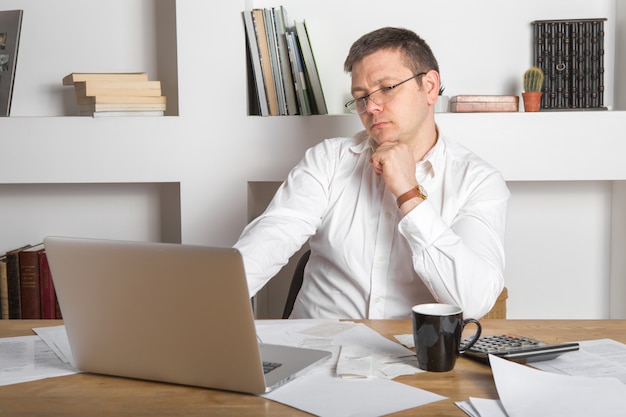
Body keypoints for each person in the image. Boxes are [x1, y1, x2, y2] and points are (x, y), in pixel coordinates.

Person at [234, 27, 510, 320]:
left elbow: (473, 301)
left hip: (410, 355)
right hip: (315, 348)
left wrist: (408, 193)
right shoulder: (328, 159)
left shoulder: (479, 181)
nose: (371, 106)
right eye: (361, 97)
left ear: (429, 87)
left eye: (387, 88)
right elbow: (271, 238)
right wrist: (202, 307)